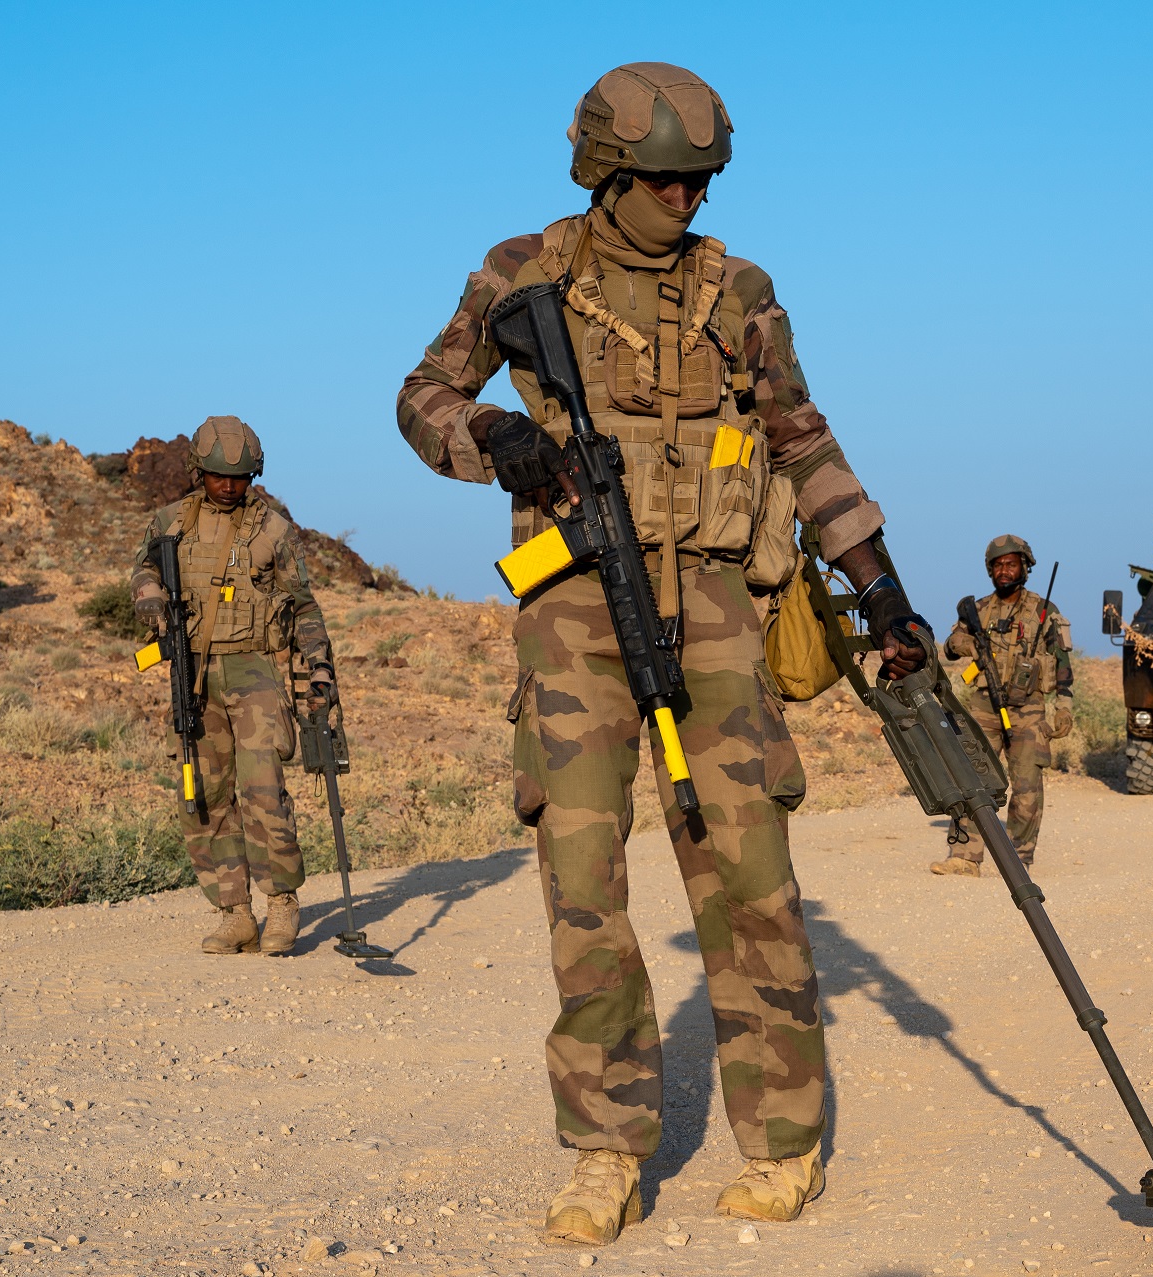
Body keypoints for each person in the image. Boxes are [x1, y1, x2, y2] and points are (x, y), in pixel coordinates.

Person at [396, 62, 930, 1247]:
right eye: (662, 180)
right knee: (583, 887)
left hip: (721, 611)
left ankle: (784, 1142)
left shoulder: (740, 288)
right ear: (604, 172)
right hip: (574, 610)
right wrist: (495, 436)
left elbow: (801, 433)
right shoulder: (519, 274)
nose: (685, 199)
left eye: (700, 180)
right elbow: (422, 394)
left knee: (746, 874)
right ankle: (604, 1152)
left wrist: (880, 583)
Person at [129, 416, 337, 957]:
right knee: (202, 792)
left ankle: (283, 905)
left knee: (264, 789)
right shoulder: (170, 522)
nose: (229, 486)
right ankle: (235, 913)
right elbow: (141, 569)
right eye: (220, 476)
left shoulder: (274, 530)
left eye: (241, 477)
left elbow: (305, 606)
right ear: (199, 472)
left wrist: (319, 671)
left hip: (256, 671)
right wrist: (149, 593)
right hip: (193, 674)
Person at [931, 535, 1073, 873]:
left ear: (1025, 566)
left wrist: (1064, 706)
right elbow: (950, 645)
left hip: (1029, 710)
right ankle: (965, 858)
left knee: (1026, 787)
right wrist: (970, 646)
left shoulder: (1044, 612)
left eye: (1010, 564)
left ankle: (1018, 858)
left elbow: (1063, 663)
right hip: (984, 708)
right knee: (971, 780)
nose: (1003, 571)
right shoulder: (978, 610)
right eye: (997, 565)